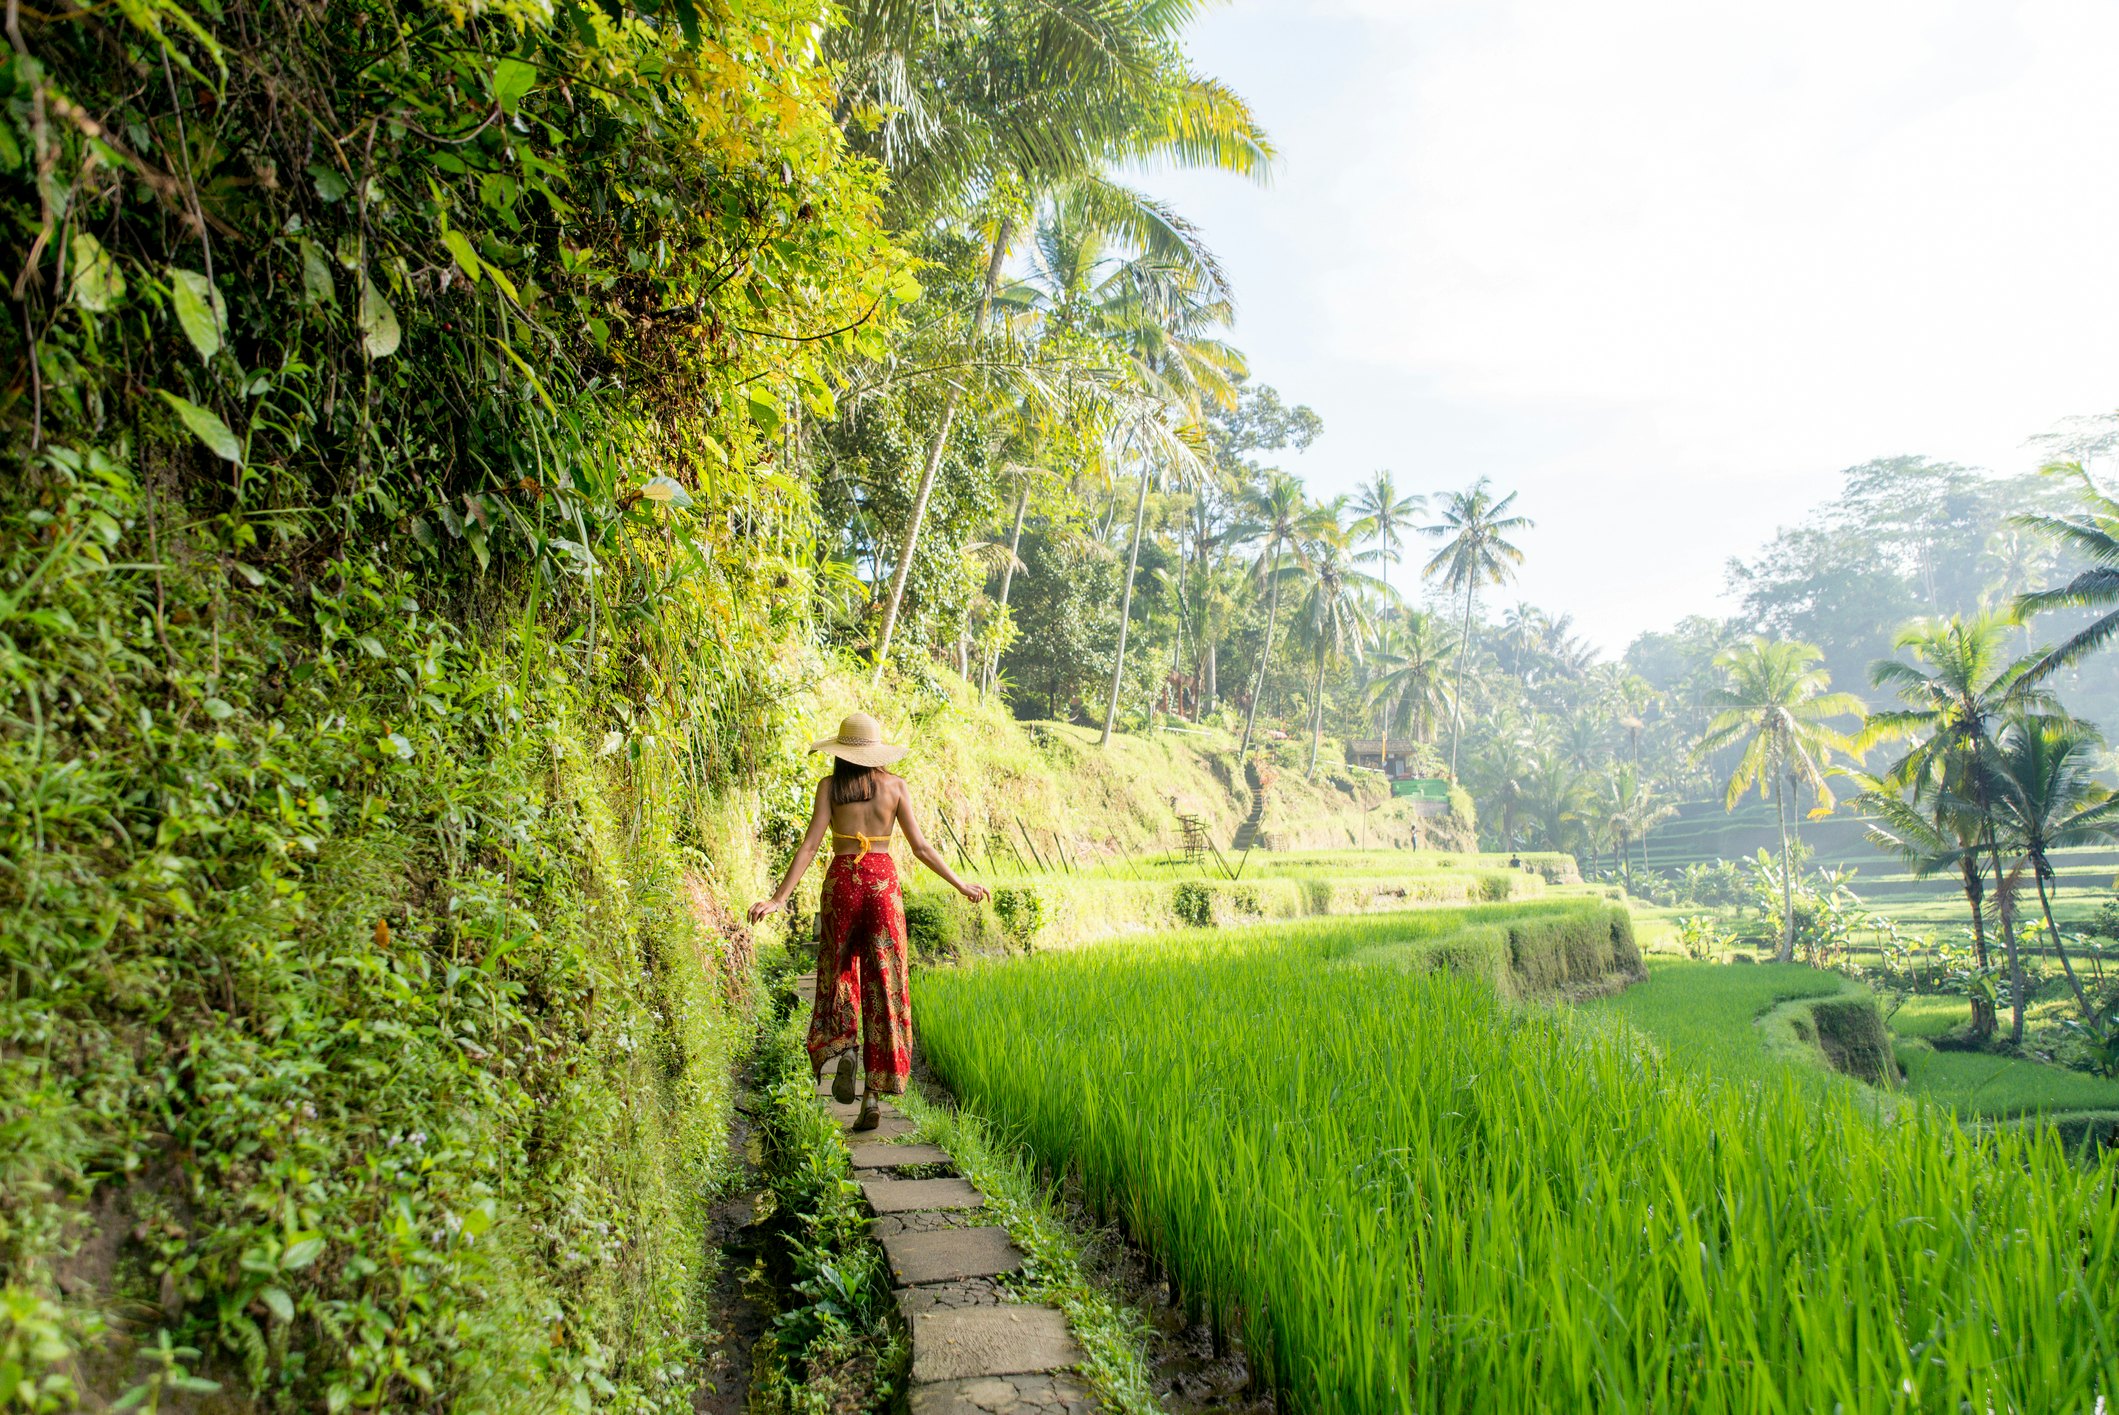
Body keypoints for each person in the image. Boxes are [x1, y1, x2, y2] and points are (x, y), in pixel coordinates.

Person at [748, 712, 989, 1129]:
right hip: (882, 886)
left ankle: (846, 1051)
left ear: (841, 751)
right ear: (877, 750)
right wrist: (960, 884)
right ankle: (873, 1095)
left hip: (841, 881)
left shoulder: (830, 787)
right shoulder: (895, 787)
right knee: (885, 983)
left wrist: (778, 898)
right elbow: (922, 848)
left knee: (838, 972)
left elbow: (809, 847)